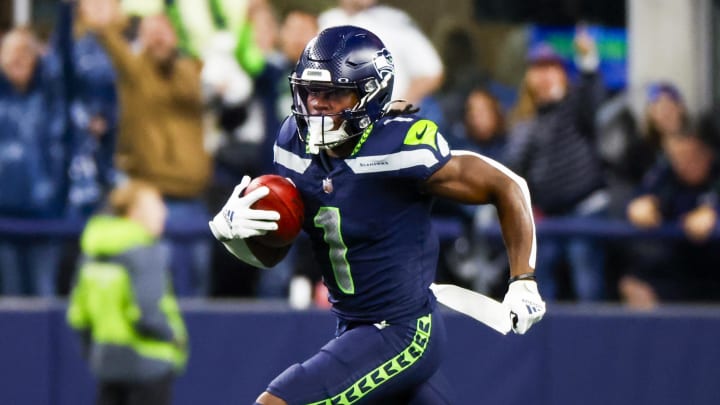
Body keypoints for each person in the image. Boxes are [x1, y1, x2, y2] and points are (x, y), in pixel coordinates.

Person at [208, 26, 545, 405]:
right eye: (310, 91)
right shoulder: (292, 144)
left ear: (369, 94)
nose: (317, 104)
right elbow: (275, 252)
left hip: (403, 329)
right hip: (351, 328)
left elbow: (507, 185)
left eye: (333, 94)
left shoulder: (399, 148)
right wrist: (237, 238)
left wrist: (523, 279)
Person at [78, 0, 213, 297]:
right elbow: (112, 42)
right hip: (153, 199)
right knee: (156, 283)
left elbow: (194, 80)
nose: (158, 38)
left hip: (193, 197)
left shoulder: (190, 72)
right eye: (151, 33)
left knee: (199, 282)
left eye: (164, 32)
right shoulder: (134, 71)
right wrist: (111, 21)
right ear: (141, 38)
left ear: (175, 37)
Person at [504, 32, 608, 302]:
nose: (544, 75)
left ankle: (593, 337)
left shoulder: (575, 104)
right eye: (538, 69)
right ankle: (539, 339)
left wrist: (587, 60)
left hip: (586, 207)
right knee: (535, 270)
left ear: (562, 74)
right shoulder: (524, 120)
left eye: (551, 68)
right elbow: (514, 168)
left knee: (582, 263)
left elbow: (593, 97)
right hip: (547, 215)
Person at [67, 179, 188, 405]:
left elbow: (79, 315)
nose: (163, 212)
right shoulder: (146, 250)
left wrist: (96, 351)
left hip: (107, 362)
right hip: (150, 364)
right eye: (156, 205)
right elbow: (148, 313)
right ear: (135, 212)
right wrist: (174, 338)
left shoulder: (92, 250)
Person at [0, 4, 72, 296]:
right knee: (12, 299)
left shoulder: (52, 95)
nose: (18, 57)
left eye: (26, 51)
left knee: (44, 297)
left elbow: (66, 56)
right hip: (4, 220)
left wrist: (65, 9)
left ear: (38, 59)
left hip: (44, 216)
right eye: (10, 51)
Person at [621, 132, 720, 308]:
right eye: (679, 158)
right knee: (633, 284)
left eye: (692, 156)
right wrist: (639, 205)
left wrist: (715, 213)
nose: (685, 164)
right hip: (679, 270)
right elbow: (641, 199)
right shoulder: (667, 175)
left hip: (714, 273)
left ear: (707, 154)